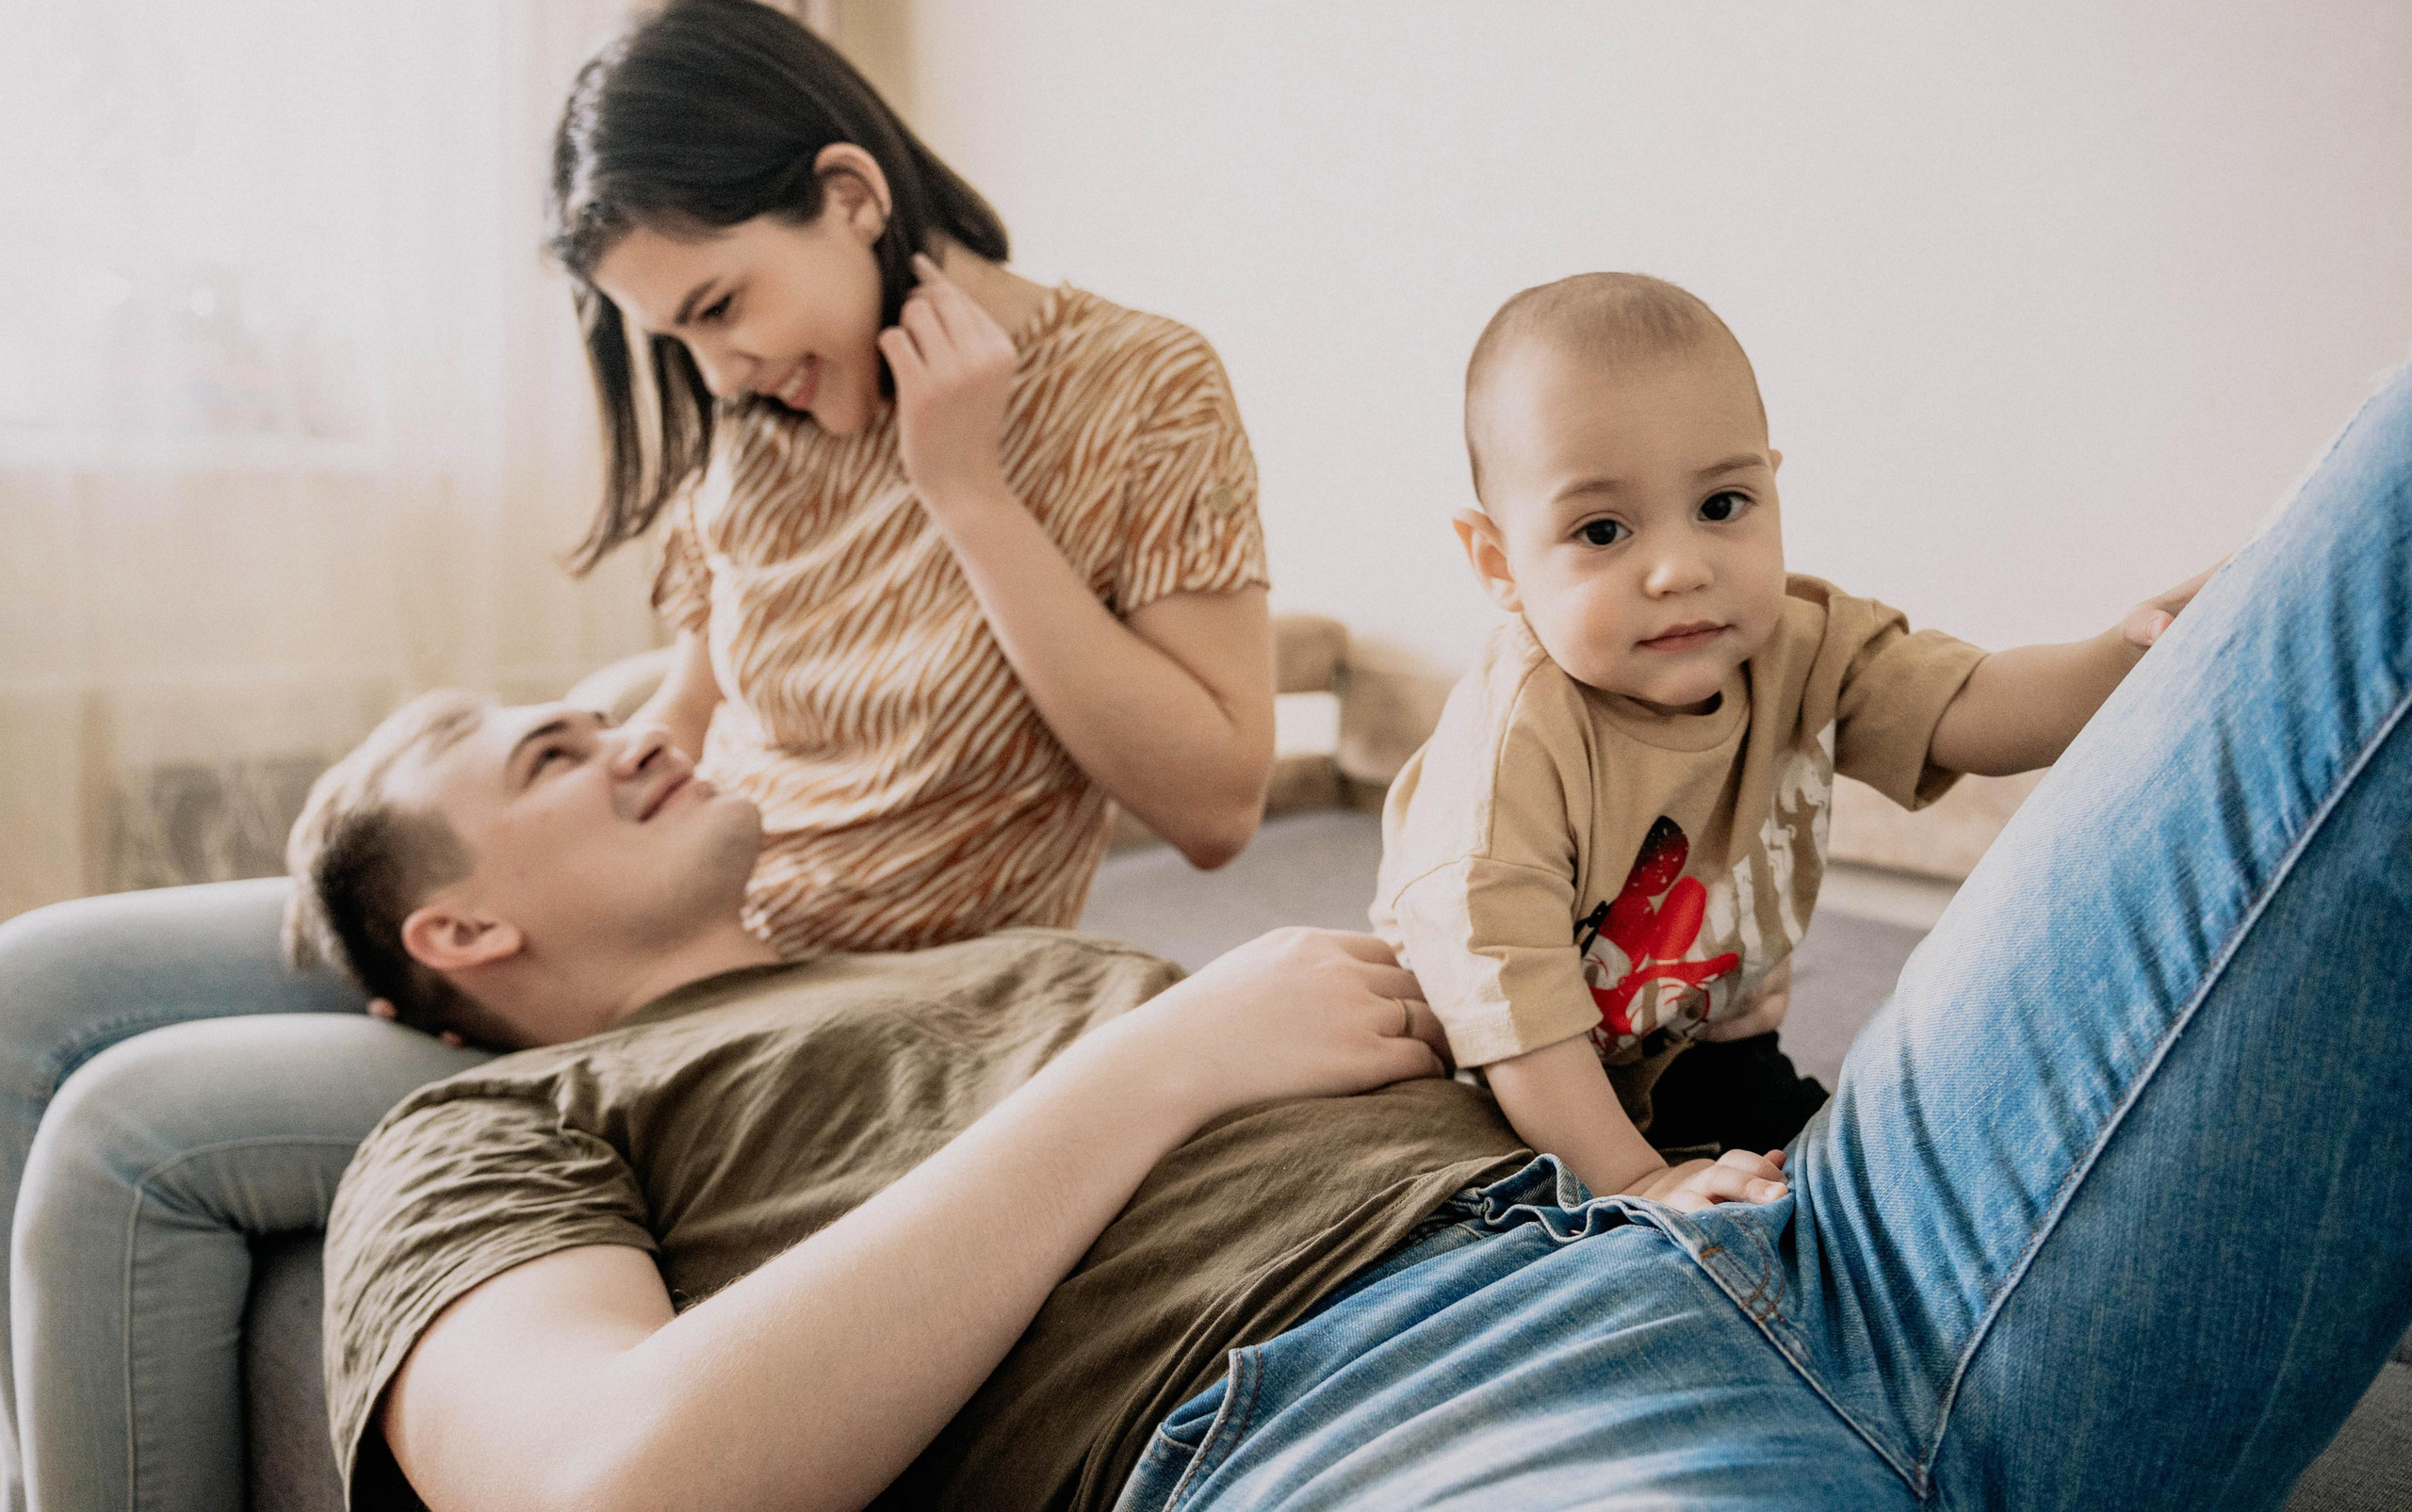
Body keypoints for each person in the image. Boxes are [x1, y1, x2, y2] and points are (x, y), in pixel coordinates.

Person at [316, 358, 2412, 1510]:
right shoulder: (490, 1132)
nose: (615, 725)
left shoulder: (969, 954)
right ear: (463, 920)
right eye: (536, 748)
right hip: (1380, 1417)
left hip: (1829, 1231)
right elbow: (603, 1487)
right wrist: (1172, 1052)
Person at [0, 0, 1277, 1511]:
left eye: (722, 306)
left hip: (792, 997)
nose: (719, 371)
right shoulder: (765, 412)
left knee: (126, 1137)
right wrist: (418, 815)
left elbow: (1214, 799)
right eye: (674, 334)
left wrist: (971, 496)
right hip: (643, 897)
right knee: (30, 989)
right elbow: (697, 690)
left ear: (850, 197)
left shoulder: (1137, 389)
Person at [1373, 272, 2210, 1195]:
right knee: (1544, 1228)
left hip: (1694, 1045)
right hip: (1494, 1092)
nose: (1679, 568)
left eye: (1721, 507)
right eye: (1602, 530)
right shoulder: (1509, 757)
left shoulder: (1800, 645)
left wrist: (2126, 656)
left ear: (1770, 487)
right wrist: (1643, 1185)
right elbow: (1512, 1018)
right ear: (1498, 560)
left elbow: (1969, 707)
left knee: (1867, 1191)